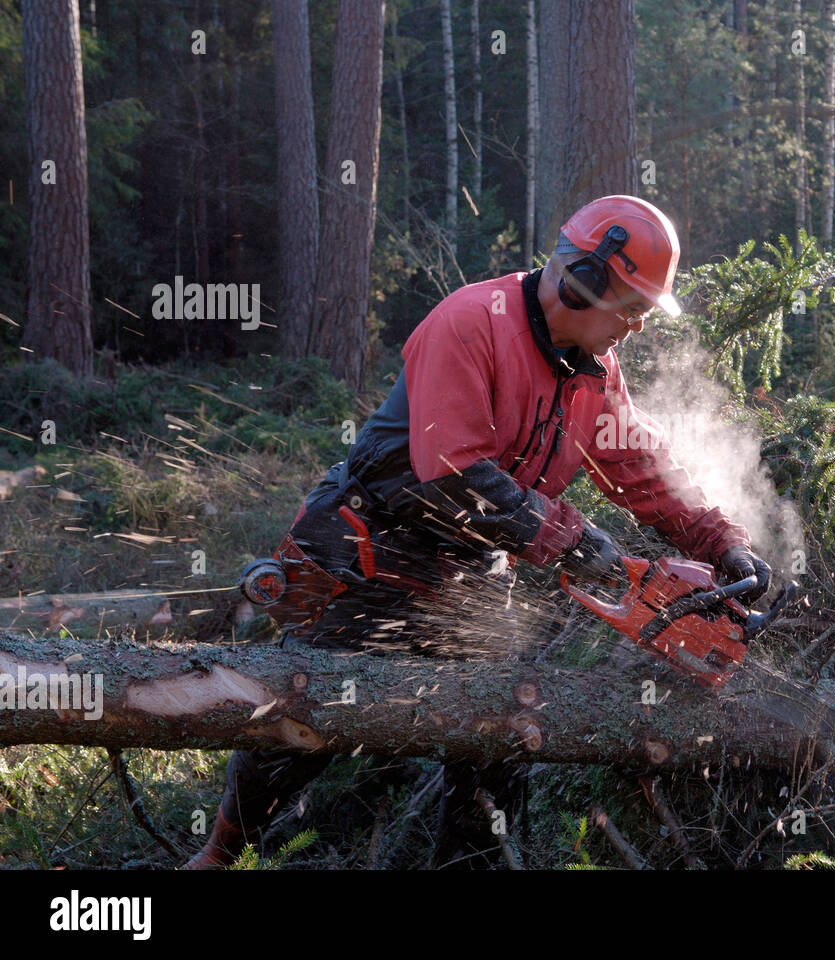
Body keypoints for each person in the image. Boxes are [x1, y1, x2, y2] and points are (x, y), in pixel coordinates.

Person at [184, 195, 772, 869]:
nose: (637, 327)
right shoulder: (470, 323)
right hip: (370, 548)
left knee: (501, 728)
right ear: (585, 280)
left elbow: (636, 464)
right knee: (303, 718)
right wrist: (573, 543)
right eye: (633, 307)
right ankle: (220, 853)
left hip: (471, 566)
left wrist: (721, 541)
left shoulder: (595, 367)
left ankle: (467, 865)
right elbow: (453, 473)